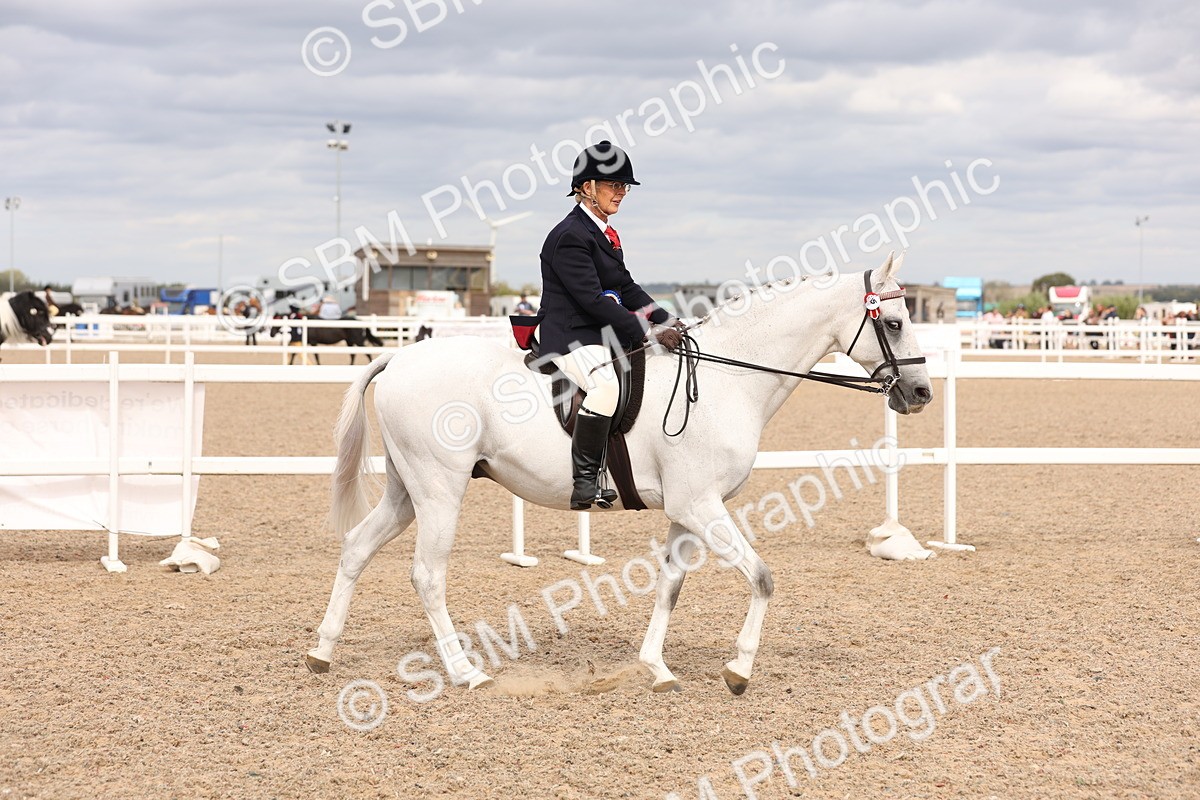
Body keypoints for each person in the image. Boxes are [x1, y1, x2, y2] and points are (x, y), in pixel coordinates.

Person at [538, 140, 682, 510]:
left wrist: (667, 319)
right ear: (587, 188)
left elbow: (625, 287)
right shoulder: (570, 236)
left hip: (597, 333)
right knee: (604, 387)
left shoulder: (602, 233)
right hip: (571, 335)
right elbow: (592, 299)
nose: (621, 193)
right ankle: (585, 481)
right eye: (613, 185)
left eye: (624, 186)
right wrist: (646, 330)